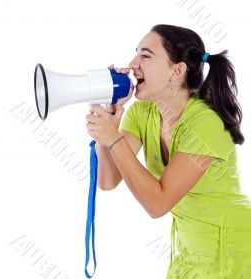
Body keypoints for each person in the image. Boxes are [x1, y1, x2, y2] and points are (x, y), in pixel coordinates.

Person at [85, 24, 251, 278]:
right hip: (187, 253)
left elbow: (157, 204)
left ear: (177, 70)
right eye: (135, 54)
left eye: (145, 55)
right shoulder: (143, 113)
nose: (132, 63)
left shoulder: (206, 123)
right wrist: (110, 118)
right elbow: (108, 180)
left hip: (233, 251)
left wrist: (114, 140)